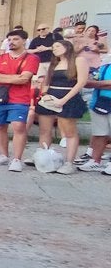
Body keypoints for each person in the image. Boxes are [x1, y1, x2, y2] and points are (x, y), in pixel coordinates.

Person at [0, 28, 40, 172]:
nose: (11, 42)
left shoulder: (31, 58)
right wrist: (14, 78)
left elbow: (24, 78)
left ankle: (17, 159)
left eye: (15, 39)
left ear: (24, 41)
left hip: (19, 98)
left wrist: (1, 77)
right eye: (9, 40)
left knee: (18, 126)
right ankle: (3, 154)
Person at [35, 40, 88, 174]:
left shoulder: (78, 60)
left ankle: (69, 162)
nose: (55, 49)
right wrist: (45, 94)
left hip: (68, 96)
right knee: (44, 130)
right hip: (51, 97)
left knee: (69, 131)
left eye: (58, 46)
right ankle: (43, 157)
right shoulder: (54, 63)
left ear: (67, 46)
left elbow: (81, 82)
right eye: (53, 47)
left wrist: (64, 99)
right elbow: (46, 81)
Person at [78, 58, 111, 174]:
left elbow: (91, 82)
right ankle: (95, 161)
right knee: (99, 134)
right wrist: (104, 84)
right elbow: (88, 81)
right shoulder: (104, 65)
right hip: (98, 103)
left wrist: (95, 84)